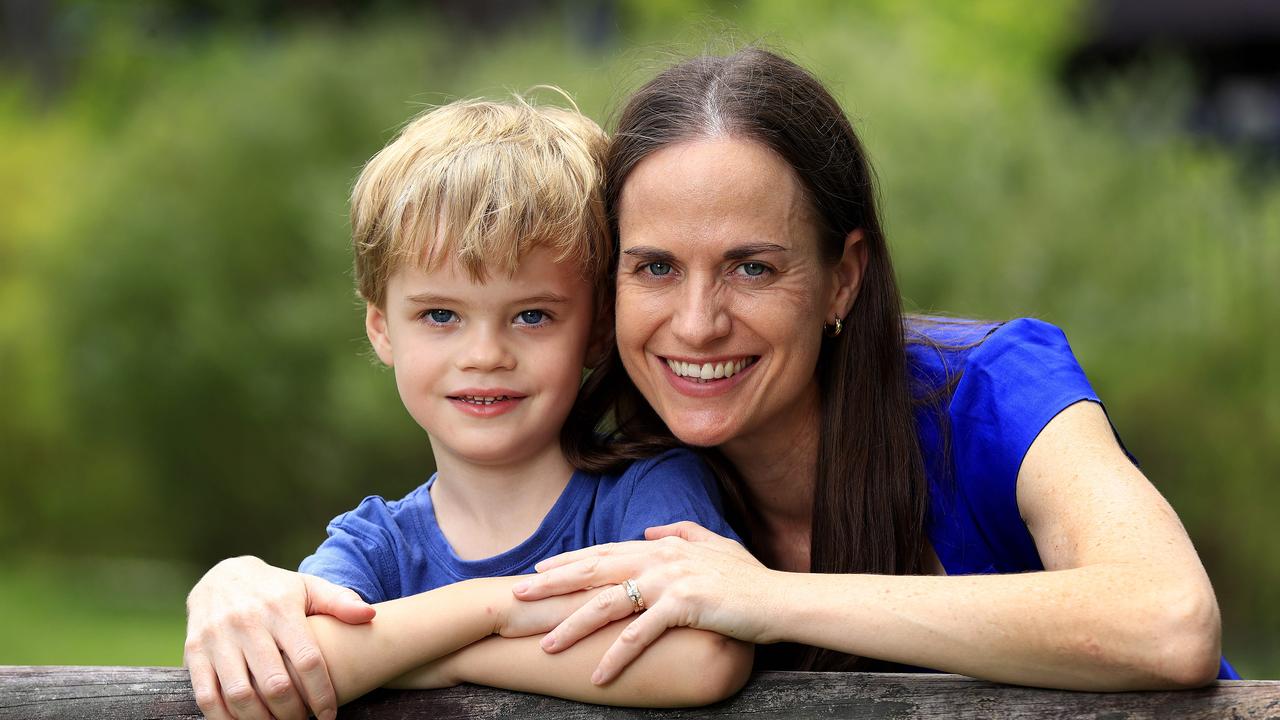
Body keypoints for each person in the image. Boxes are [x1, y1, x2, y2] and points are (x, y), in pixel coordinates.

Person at [509, 46, 1241, 689]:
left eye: (753, 268)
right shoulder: (615, 485)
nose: (698, 324)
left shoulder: (992, 391)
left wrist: (766, 598)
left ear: (844, 277)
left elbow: (1169, 623)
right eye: (657, 267)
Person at [182, 96, 751, 720]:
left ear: (594, 329)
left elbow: (704, 655)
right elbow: (301, 661)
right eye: (441, 315)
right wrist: (496, 609)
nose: (485, 355)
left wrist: (450, 655)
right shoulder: (377, 547)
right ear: (382, 328)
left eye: (532, 315)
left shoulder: (646, 493)